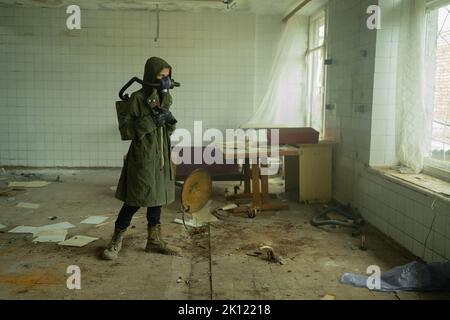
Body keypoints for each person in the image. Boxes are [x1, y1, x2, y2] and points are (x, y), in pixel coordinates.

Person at [102, 57, 180, 260]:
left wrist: (170, 121)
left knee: (157, 200)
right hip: (144, 154)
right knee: (134, 199)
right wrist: (152, 120)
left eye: (167, 76)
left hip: (161, 153)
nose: (165, 80)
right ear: (150, 75)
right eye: (161, 76)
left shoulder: (166, 97)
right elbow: (127, 131)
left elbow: (166, 130)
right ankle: (116, 240)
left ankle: (154, 241)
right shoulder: (136, 98)